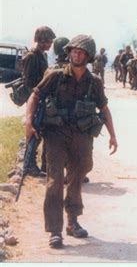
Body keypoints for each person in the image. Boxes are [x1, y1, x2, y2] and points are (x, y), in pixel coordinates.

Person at [24, 35, 118, 249]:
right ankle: (55, 231)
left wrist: (113, 134)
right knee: (55, 180)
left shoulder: (94, 82)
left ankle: (72, 221)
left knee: (76, 179)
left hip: (82, 136)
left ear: (88, 56)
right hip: (56, 135)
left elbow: (103, 109)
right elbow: (35, 96)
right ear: (69, 53)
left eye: (81, 51)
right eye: (73, 50)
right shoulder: (55, 75)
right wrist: (28, 122)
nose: (76, 53)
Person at [22, 26, 56, 177]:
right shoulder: (31, 56)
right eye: (48, 41)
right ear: (41, 40)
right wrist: (37, 99)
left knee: (40, 131)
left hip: (42, 98)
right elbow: (29, 82)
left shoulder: (42, 55)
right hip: (36, 99)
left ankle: (38, 164)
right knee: (34, 131)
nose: (50, 44)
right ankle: (29, 165)